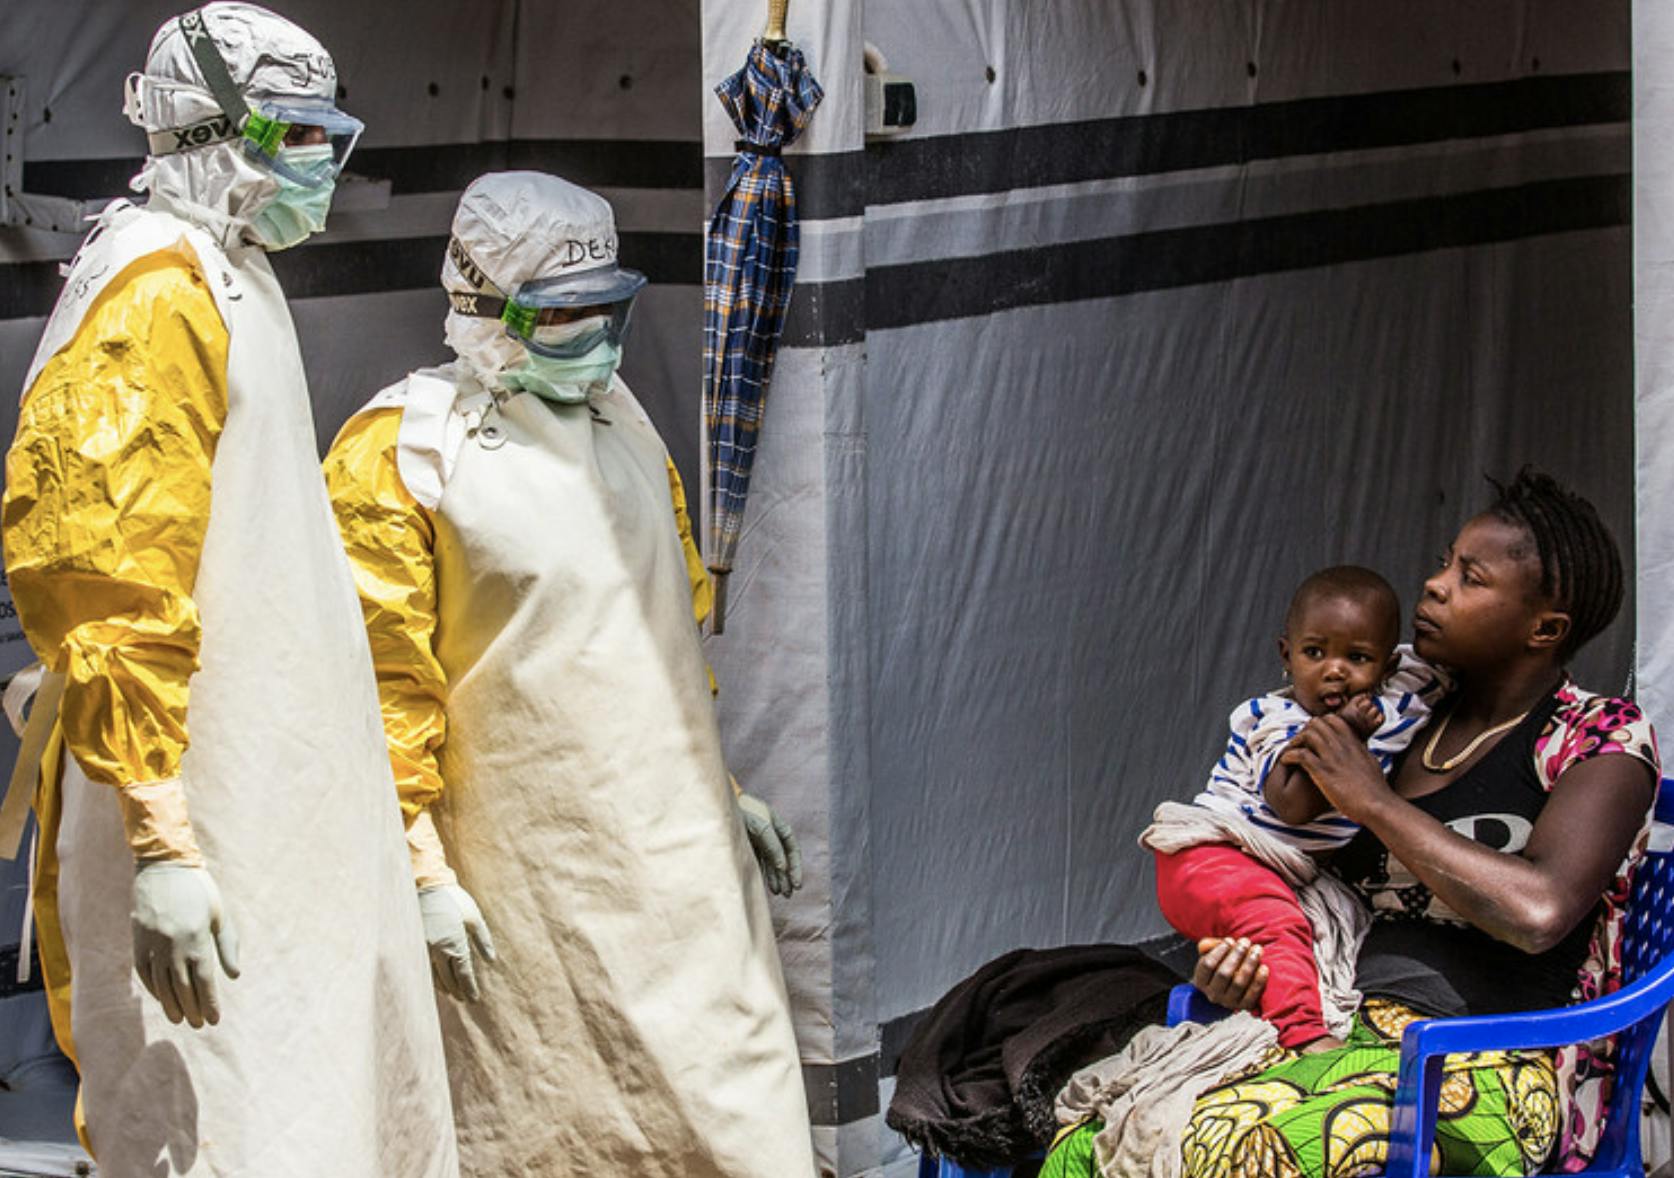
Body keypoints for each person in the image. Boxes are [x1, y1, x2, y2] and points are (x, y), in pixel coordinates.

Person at [0, 5, 456, 1173]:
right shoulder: (153, 290)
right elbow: (108, 575)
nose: (320, 161)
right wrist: (161, 842)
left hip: (261, 781)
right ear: (211, 127)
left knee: (307, 1094)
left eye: (325, 133)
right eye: (293, 133)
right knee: (225, 1113)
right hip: (192, 792)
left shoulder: (229, 270)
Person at [322, 170, 816, 1175]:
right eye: (561, 314)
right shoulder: (405, 452)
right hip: (526, 880)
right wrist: (419, 869)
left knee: (739, 1114)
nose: (595, 336)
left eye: (608, 307)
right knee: (551, 1119)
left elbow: (658, 638)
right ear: (485, 305)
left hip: (682, 865)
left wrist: (720, 788)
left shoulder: (623, 422)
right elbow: (376, 691)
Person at [1054, 468, 1657, 1178]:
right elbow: (1301, 877)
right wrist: (1244, 972)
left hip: (1484, 1058)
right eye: (1444, 564)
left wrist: (1374, 801)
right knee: (1089, 1145)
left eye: (1469, 578)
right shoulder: (1397, 719)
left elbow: (1539, 912)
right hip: (1336, 1028)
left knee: (1258, 1151)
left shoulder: (1598, 736)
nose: (1434, 586)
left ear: (1544, 629)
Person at [1148, 566, 1444, 1051]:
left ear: (1387, 667)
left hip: (1268, 874)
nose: (1334, 670)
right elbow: (1291, 803)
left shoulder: (1399, 701)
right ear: (1286, 655)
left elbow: (1445, 666)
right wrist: (1345, 731)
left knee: (1307, 937)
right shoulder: (1276, 719)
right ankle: (1305, 1036)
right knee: (1280, 927)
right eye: (1314, 653)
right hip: (1211, 857)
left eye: (1357, 657)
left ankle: (1292, 1017)